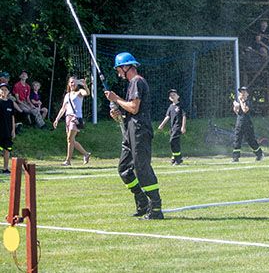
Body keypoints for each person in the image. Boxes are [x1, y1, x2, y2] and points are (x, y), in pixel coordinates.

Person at [104, 52, 164, 220]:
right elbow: (129, 109)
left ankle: (156, 208)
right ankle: (142, 202)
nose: (118, 73)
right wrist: (117, 112)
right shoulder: (132, 84)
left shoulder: (137, 81)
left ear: (126, 67)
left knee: (142, 168)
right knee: (124, 169)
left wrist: (116, 98)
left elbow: (134, 107)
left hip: (140, 131)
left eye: (118, 69)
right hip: (130, 130)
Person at [52, 76, 92, 166]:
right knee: (71, 140)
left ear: (77, 84)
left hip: (76, 118)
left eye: (74, 82)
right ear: (68, 84)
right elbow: (63, 109)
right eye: (71, 82)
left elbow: (87, 93)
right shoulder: (67, 95)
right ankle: (86, 154)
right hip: (68, 118)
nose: (72, 84)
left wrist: (85, 86)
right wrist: (57, 119)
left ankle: (68, 160)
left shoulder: (79, 92)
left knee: (70, 139)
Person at [232, 86, 264, 162]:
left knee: (251, 140)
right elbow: (237, 112)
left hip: (247, 123)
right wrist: (235, 107)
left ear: (247, 94)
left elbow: (245, 110)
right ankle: (235, 157)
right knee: (237, 139)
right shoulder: (239, 101)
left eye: (244, 91)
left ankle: (259, 154)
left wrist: (240, 101)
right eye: (241, 91)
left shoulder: (249, 102)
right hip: (239, 122)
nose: (242, 93)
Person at [158, 89, 187, 165]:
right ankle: (176, 157)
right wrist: (162, 125)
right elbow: (167, 117)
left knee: (172, 141)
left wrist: (183, 127)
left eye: (174, 94)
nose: (172, 96)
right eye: (170, 95)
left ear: (178, 96)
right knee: (175, 143)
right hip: (172, 128)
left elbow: (184, 116)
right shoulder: (170, 107)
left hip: (178, 127)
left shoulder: (181, 105)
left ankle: (177, 159)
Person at [0, 83, 15, 174]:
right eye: (2, 89)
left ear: (8, 92)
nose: (3, 91)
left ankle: (5, 168)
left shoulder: (10, 103)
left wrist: (13, 130)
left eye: (5, 90)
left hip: (8, 130)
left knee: (7, 149)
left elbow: (12, 117)